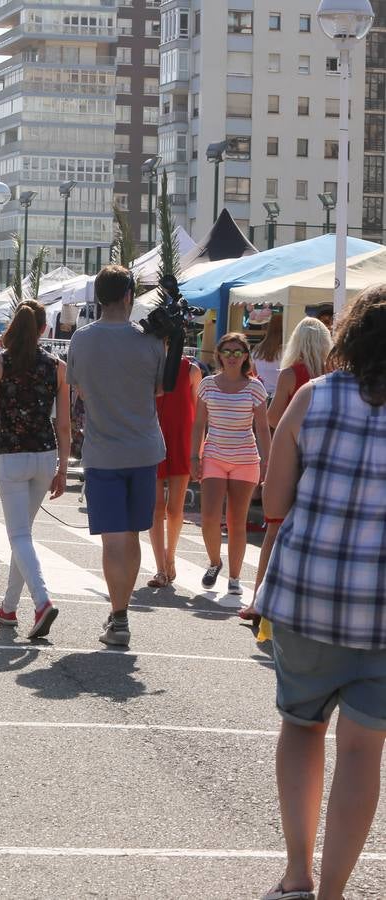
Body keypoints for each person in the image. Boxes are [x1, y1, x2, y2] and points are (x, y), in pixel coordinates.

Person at [255, 285, 386, 900]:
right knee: (364, 751)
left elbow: (273, 502)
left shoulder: (313, 396)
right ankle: (333, 890)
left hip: (308, 595)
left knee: (301, 728)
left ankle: (298, 874)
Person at [66, 264, 167, 647]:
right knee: (133, 533)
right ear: (129, 296)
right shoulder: (151, 341)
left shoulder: (81, 340)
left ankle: (118, 616)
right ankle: (121, 615)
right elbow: (159, 391)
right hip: (144, 448)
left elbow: (79, 388)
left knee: (112, 541)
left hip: (102, 450)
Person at [0, 301, 68, 638]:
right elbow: (63, 424)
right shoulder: (58, 366)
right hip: (45, 455)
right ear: (45, 330)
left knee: (18, 535)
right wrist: (62, 468)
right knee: (24, 535)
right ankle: (9, 607)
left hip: (12, 454)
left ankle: (42, 601)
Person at [243, 317, 334, 622]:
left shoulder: (291, 374)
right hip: (323, 458)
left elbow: (272, 418)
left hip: (294, 456)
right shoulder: (333, 373)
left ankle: (259, 600)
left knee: (274, 527)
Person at [190, 332, 272, 597]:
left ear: (246, 356)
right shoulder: (208, 384)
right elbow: (200, 424)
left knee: (237, 521)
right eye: (227, 351)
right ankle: (215, 562)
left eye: (238, 352)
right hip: (214, 455)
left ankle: (235, 577)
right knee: (210, 517)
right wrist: (195, 456)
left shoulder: (255, 387)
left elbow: (262, 429)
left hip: (246, 460)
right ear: (219, 355)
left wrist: (268, 464)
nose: (233, 357)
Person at [147, 341, 201, 589]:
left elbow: (199, 413)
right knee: (156, 507)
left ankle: (170, 557)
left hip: (181, 441)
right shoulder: (148, 366)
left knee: (175, 509)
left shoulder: (191, 370)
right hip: (152, 439)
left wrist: (198, 450)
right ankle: (160, 567)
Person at [251, 312, 284, 394]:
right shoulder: (287, 350)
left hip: (261, 394)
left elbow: (254, 372)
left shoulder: (257, 349)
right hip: (280, 395)